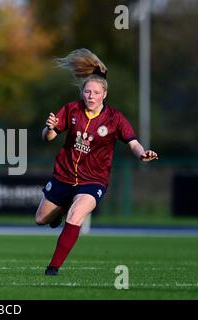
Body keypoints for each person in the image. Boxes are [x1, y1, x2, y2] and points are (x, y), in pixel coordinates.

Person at [37, 48, 158, 276]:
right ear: (82, 93)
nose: (91, 96)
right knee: (41, 219)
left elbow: (132, 142)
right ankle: (60, 209)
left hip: (94, 180)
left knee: (76, 216)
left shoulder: (115, 118)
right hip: (63, 175)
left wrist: (142, 153)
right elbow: (48, 137)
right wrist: (49, 128)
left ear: (104, 95)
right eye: (87, 92)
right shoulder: (72, 109)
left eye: (95, 93)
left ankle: (53, 268)